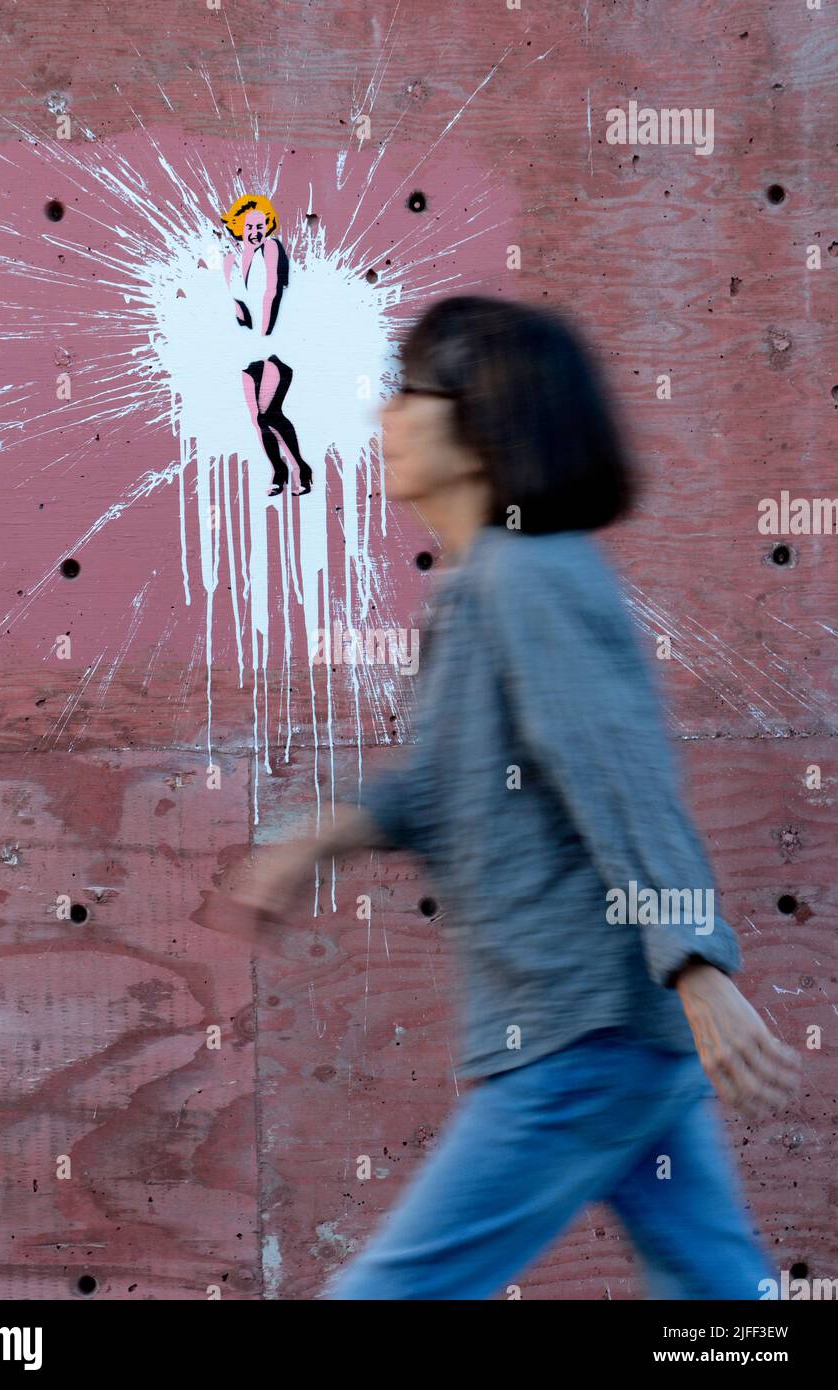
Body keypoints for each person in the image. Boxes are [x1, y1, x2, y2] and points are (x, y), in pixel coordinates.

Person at [227, 295, 802, 1300]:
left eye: (412, 389)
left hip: (576, 1038)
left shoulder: (527, 577)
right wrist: (329, 834)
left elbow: (618, 779)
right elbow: (456, 789)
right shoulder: (483, 581)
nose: (384, 414)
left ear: (485, 418)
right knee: (721, 1301)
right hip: (612, 1035)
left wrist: (696, 964)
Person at [221, 194, 313, 497]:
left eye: (262, 225)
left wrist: (263, 337)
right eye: (250, 226)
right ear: (237, 226)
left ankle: (300, 467)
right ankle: (279, 470)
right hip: (246, 348)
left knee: (268, 412)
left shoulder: (272, 248)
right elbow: (236, 305)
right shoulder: (230, 261)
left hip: (274, 345)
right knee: (255, 417)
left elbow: (272, 293)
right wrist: (242, 340)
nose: (256, 231)